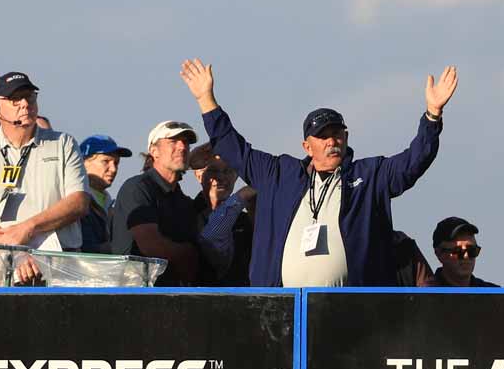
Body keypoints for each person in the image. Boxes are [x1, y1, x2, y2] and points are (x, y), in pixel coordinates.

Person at [178, 58, 456, 287]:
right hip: (282, 309)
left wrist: (432, 115)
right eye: (323, 136)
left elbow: (414, 161)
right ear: (307, 146)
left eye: (337, 134)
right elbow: (233, 148)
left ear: (346, 137)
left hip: (351, 311)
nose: (331, 141)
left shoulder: (370, 175)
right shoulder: (279, 174)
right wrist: (206, 99)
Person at [0, 72, 90, 283]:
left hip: (59, 266)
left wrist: (28, 228)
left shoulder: (64, 143)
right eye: (15, 99)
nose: (25, 104)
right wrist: (14, 251)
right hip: (3, 266)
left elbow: (79, 202)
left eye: (30, 96)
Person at [108, 121, 205, 285]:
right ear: (154, 151)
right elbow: (151, 246)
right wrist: (187, 254)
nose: (182, 147)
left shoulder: (181, 200)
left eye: (186, 143)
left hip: (170, 297)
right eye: (173, 141)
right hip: (136, 296)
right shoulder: (137, 188)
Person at [191, 143, 254, 287]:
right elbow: (211, 237)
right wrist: (242, 195)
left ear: (236, 175)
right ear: (198, 175)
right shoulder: (188, 212)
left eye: (227, 171)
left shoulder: (244, 221)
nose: (221, 177)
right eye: (213, 170)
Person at [76, 134, 133, 254]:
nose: (113, 169)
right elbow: (84, 250)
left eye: (116, 163)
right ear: (83, 163)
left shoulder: (109, 204)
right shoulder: (76, 200)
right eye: (106, 161)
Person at [425, 217, 498, 287]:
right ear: (439, 254)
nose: (466, 256)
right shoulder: (423, 295)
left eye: (471, 250)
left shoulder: (494, 295)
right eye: (458, 251)